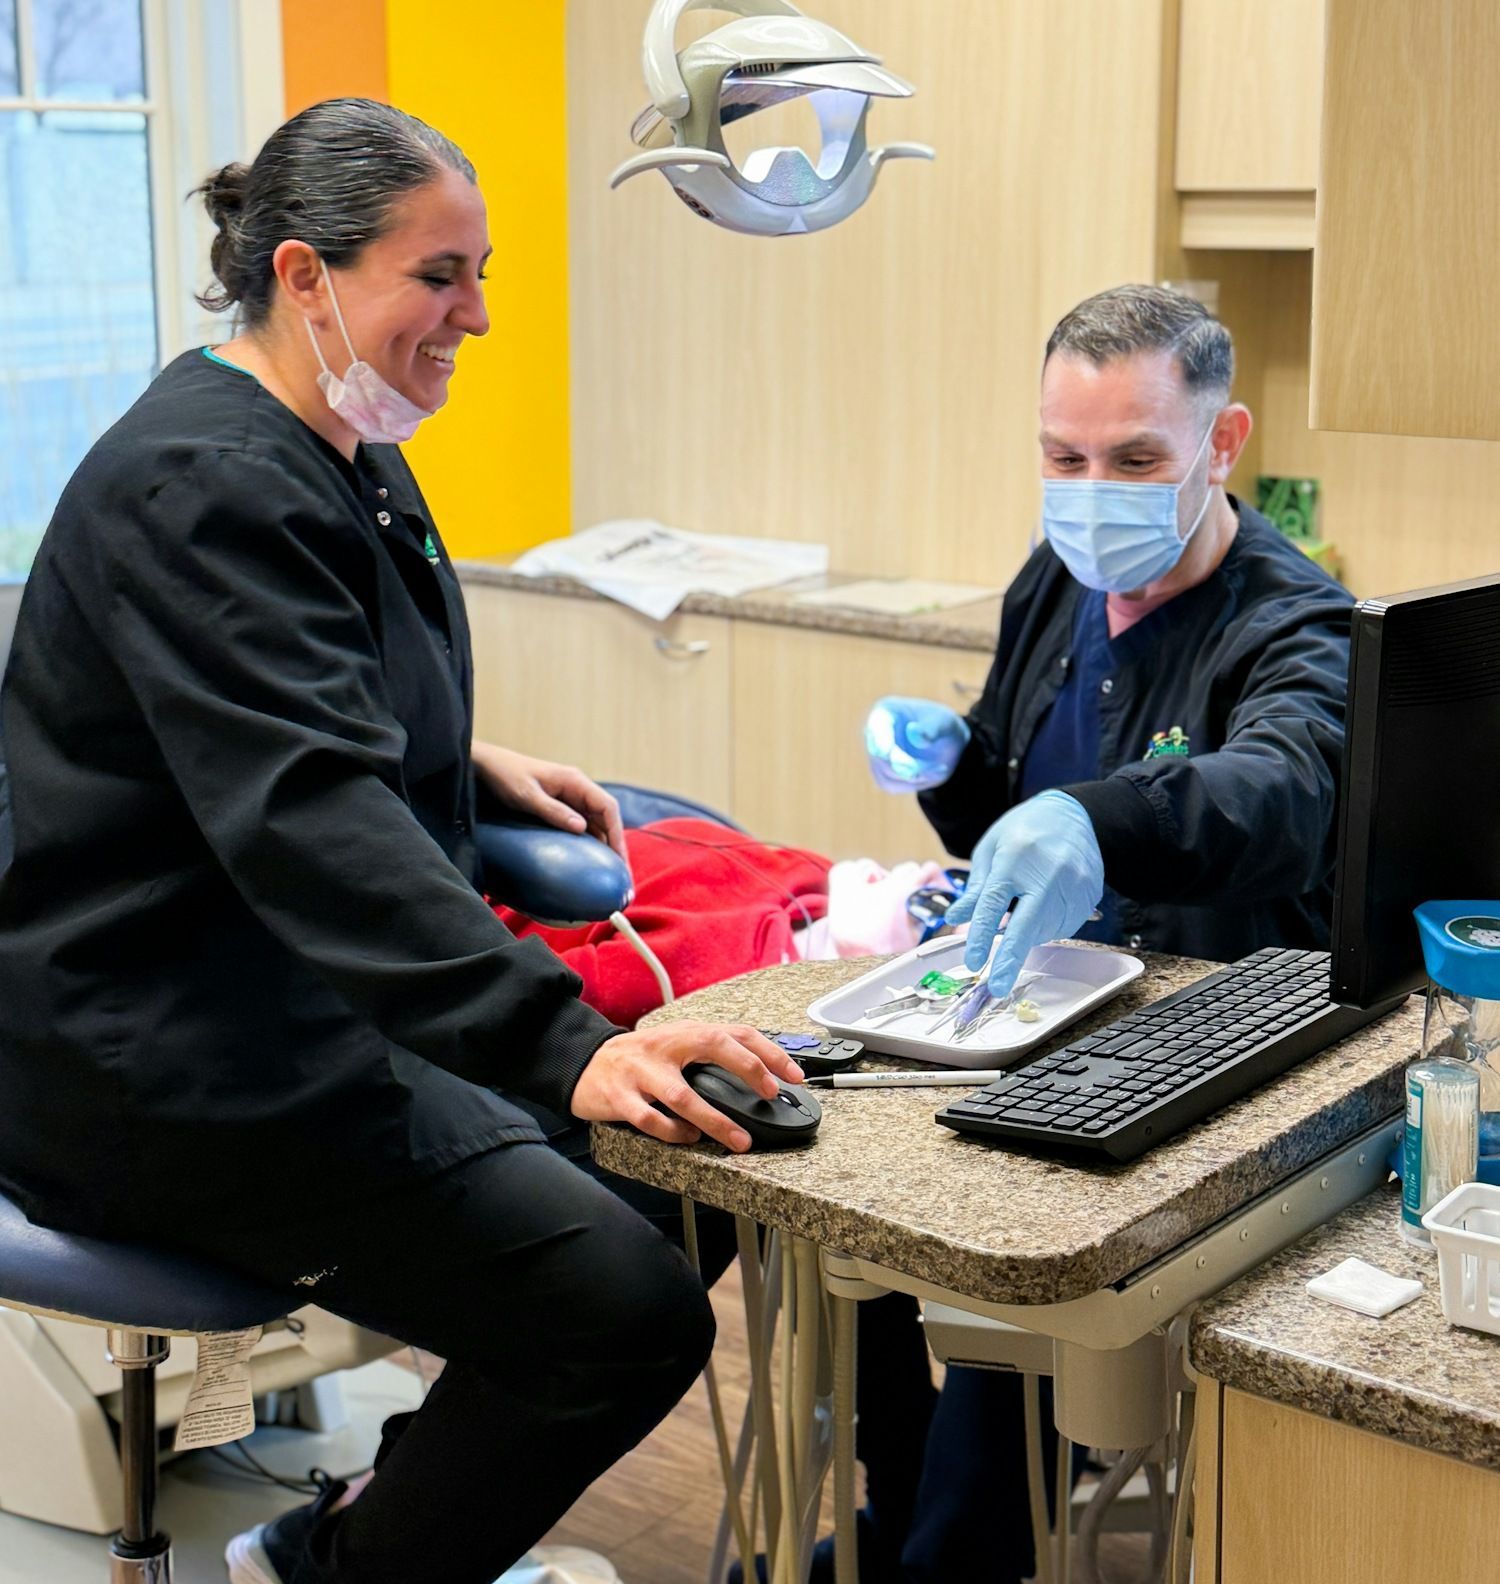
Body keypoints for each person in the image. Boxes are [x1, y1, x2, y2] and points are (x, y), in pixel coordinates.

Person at [0, 97, 805, 1584]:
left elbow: (306, 705)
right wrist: (566, 1044)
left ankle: (369, 1526)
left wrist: (464, 763)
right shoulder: (208, 482)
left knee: (694, 1167)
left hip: (297, 1011)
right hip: (171, 1064)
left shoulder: (343, 442)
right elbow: (308, 815)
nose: (477, 314)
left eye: (480, 272)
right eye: (441, 276)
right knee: (624, 1318)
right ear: (304, 276)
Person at [778, 282, 1354, 1584]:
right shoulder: (1058, 581)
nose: (1095, 490)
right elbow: (1008, 816)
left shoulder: (1295, 627)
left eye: (1137, 459)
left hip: (1202, 1057)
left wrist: (1101, 818)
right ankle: (907, 1512)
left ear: (1223, 442)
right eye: (1065, 456)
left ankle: (958, 1546)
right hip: (1036, 1015)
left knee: (1003, 1329)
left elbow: (1281, 792)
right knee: (843, 1229)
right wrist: (952, 766)